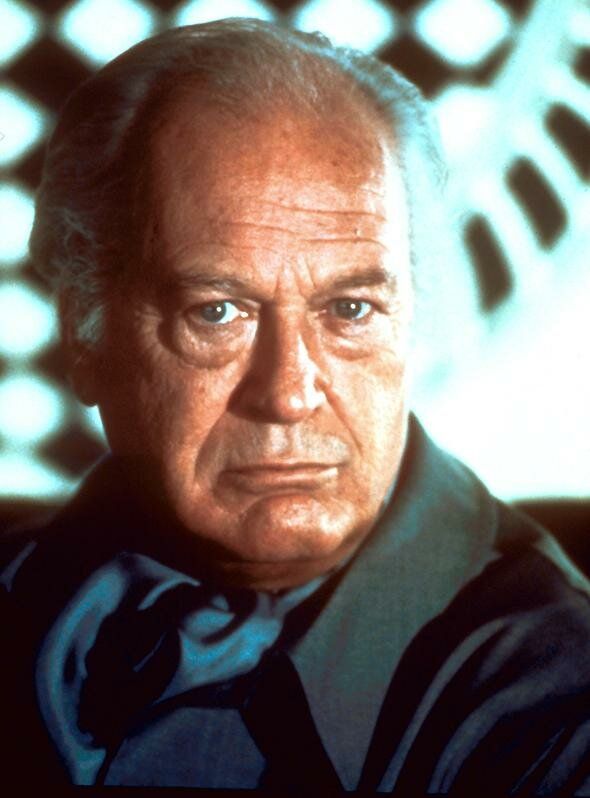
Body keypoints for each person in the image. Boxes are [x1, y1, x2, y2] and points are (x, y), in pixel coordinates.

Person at [2, 18, 590, 793]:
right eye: (218, 313)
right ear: (86, 335)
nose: (287, 393)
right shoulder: (24, 598)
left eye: (349, 310)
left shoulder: (560, 700)